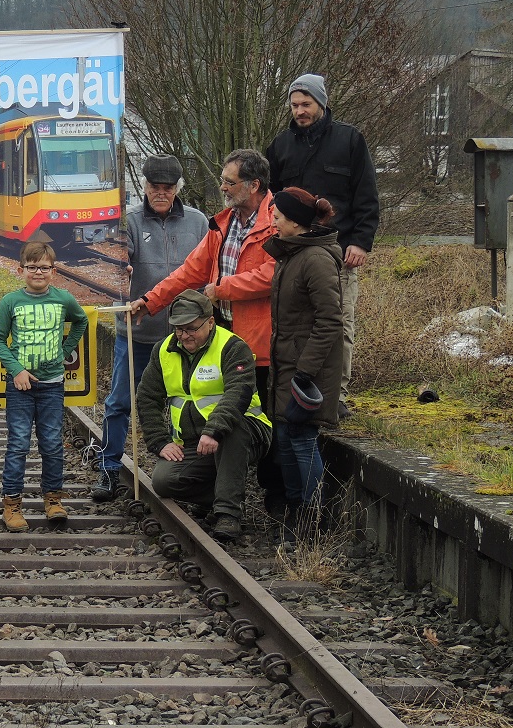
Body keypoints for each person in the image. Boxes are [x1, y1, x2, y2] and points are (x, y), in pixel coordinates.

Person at [132, 148, 286, 517]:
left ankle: (275, 503)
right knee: (222, 413)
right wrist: (150, 301)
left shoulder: (277, 220)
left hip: (260, 343)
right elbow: (191, 271)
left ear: (253, 185)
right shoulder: (225, 223)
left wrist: (223, 289)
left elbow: (273, 274)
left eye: (229, 182)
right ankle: (223, 492)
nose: (222, 187)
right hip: (224, 337)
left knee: (259, 421)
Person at [94, 154, 207, 502]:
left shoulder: (199, 222)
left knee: (188, 402)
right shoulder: (127, 220)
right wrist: (121, 266)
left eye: (168, 188)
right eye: (155, 187)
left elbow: (207, 268)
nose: (161, 193)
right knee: (119, 402)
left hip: (185, 337)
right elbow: (115, 257)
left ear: (177, 189)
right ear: (144, 187)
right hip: (138, 333)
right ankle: (109, 469)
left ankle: (191, 472)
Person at [265, 74, 379, 417]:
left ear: (322, 104)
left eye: (306, 104)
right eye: (294, 105)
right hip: (291, 256)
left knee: (339, 323)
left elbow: (367, 196)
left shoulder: (349, 141)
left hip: (339, 254)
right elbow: (269, 200)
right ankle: (293, 391)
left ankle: (336, 396)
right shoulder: (281, 145)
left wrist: (360, 242)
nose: (299, 111)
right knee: (291, 326)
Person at [135, 290, 272, 542]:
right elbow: (147, 397)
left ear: (210, 322)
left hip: (245, 433)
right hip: (194, 442)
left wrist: (214, 430)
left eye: (191, 329)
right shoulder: (163, 350)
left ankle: (228, 514)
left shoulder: (233, 347)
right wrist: (159, 441)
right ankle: (222, 494)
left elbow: (238, 394)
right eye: (178, 329)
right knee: (164, 482)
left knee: (234, 429)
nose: (184, 335)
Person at [0, 241, 88, 532]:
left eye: (44, 267)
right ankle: (12, 505)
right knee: (19, 443)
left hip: (52, 385)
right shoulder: (11, 301)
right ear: (21, 270)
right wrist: (17, 369)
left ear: (53, 271)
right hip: (20, 387)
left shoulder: (63, 299)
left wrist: (64, 349)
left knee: (52, 444)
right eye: (32, 267)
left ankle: (53, 500)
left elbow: (81, 322)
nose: (38, 272)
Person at [265, 187, 343, 526]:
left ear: (296, 223)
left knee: (300, 439)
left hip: (305, 370)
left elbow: (330, 321)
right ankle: (296, 513)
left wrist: (305, 372)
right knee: (285, 437)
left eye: (278, 218)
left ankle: (313, 518)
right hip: (288, 365)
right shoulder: (293, 254)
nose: (273, 224)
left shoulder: (316, 259)